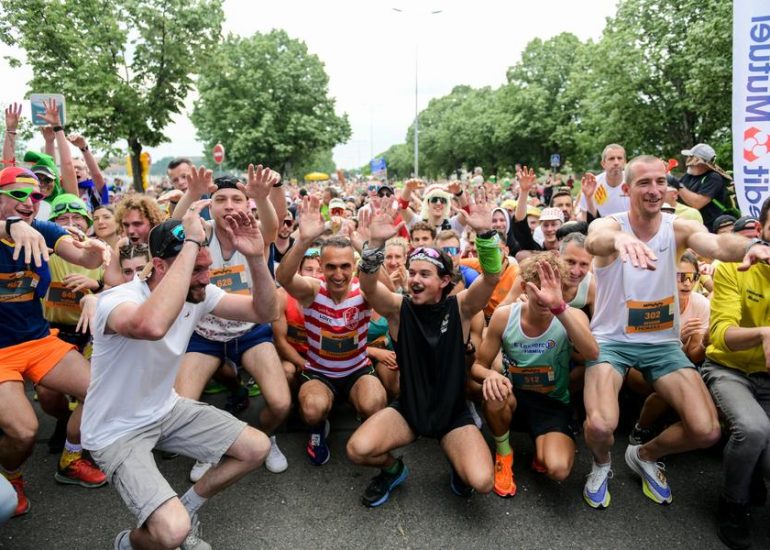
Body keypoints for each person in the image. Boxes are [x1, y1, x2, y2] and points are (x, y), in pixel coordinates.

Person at [82, 203, 278, 550]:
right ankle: (129, 542)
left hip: (165, 410)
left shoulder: (199, 293)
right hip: (115, 431)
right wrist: (190, 242)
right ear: (159, 266)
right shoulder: (118, 300)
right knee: (170, 534)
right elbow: (152, 325)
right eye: (196, 269)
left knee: (256, 448)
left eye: (207, 268)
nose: (205, 277)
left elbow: (265, 312)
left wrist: (257, 257)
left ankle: (187, 508)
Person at [581, 155, 770, 510]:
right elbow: (596, 240)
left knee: (707, 430)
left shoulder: (678, 228)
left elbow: (715, 244)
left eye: (660, 182)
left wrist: (750, 247)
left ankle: (644, 455)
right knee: (601, 426)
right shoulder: (611, 224)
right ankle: (602, 464)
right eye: (644, 183)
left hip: (662, 344)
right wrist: (620, 241)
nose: (654, 190)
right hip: (612, 342)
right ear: (626, 188)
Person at [346, 194, 501, 508]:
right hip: (409, 411)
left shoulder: (461, 307)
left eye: (424, 274)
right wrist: (375, 243)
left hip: (452, 415)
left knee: (482, 482)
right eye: (412, 273)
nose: (414, 279)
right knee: (357, 449)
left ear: (444, 281)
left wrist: (485, 235)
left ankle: (460, 467)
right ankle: (393, 470)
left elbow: (491, 278)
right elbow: (369, 286)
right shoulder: (398, 310)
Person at [0, 166, 111, 518]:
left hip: (37, 341)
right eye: (19, 195)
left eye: (35, 196)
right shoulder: (13, 227)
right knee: (24, 431)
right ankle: (10, 477)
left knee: (102, 391)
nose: (30, 203)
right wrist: (7, 226)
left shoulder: (44, 229)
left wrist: (95, 251)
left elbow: (85, 258)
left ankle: (70, 459)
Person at [171, 166, 290, 479]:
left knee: (279, 404)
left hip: (249, 331)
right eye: (220, 199)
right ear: (211, 206)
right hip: (204, 333)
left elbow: (272, 229)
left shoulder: (254, 232)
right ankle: (209, 447)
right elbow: (171, 227)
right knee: (182, 404)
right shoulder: (203, 232)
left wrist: (262, 197)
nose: (229, 206)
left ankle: (263, 437)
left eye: (237, 199)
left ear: (246, 204)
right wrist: (191, 193)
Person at [472, 254, 598, 497]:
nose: (543, 295)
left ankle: (543, 446)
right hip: (513, 397)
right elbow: (478, 366)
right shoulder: (505, 316)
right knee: (494, 393)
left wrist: (559, 308)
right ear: (523, 288)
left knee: (558, 470)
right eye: (537, 286)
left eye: (551, 287)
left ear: (561, 289)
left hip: (552, 403)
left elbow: (593, 353)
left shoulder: (572, 315)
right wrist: (491, 375)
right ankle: (504, 453)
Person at [275, 196, 387, 466]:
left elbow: (389, 291)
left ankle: (363, 422)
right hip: (319, 373)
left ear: (355, 266)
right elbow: (284, 278)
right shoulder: (313, 291)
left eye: (345, 266)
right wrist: (302, 240)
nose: (338, 274)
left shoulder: (364, 289)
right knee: (313, 410)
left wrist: (364, 246)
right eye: (331, 267)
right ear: (322, 269)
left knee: (374, 405)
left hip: (357, 370)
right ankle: (317, 429)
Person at [699, 197, 770, 549]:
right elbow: (722, 336)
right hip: (729, 369)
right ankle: (733, 503)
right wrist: (761, 333)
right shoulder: (733, 266)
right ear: (762, 229)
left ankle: (754, 470)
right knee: (754, 430)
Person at [676, 143, 734, 233]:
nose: (687, 160)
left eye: (690, 156)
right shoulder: (688, 176)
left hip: (709, 230)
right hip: (691, 226)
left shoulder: (714, 178)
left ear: (697, 160)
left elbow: (696, 204)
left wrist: (676, 184)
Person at [578, 144, 628, 220]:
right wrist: (588, 198)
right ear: (603, 164)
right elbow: (586, 219)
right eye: (611, 159)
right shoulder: (593, 185)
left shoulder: (634, 183)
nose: (616, 162)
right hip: (601, 228)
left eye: (619, 158)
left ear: (625, 162)